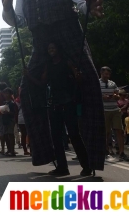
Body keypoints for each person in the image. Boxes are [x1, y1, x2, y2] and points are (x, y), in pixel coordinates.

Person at [1, 0, 105, 175]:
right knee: (27, 93)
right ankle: (50, 156)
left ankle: (91, 161)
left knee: (90, 87)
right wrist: (6, 8)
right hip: (40, 41)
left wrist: (89, 7)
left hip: (68, 35)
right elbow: (19, 21)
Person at [42, 42, 91, 176]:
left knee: (74, 134)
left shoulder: (67, 62)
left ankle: (87, 166)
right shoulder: (48, 65)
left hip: (68, 102)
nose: (51, 50)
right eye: (49, 48)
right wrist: (28, 75)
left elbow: (78, 78)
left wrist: (78, 76)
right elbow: (43, 82)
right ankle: (62, 167)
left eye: (53, 48)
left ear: (58, 49)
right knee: (56, 137)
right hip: (55, 104)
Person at [99, 66, 128, 161]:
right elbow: (95, 96)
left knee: (119, 130)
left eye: (108, 74)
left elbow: (118, 95)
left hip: (115, 109)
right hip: (104, 110)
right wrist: (103, 97)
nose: (107, 76)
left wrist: (115, 96)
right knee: (106, 132)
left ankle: (122, 152)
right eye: (105, 74)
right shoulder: (97, 83)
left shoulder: (113, 83)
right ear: (101, 73)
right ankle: (106, 150)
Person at [0, 88, 18, 156]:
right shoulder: (4, 102)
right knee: (5, 135)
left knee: (10, 134)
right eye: (5, 93)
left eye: (7, 93)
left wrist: (8, 112)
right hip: (4, 120)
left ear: (10, 94)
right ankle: (8, 149)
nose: (6, 95)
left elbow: (14, 113)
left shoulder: (12, 103)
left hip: (10, 120)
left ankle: (12, 150)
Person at [15, 88, 30, 156]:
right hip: (26, 118)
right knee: (29, 134)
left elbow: (16, 110)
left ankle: (25, 150)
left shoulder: (17, 100)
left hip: (21, 118)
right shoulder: (29, 97)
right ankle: (29, 150)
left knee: (24, 135)